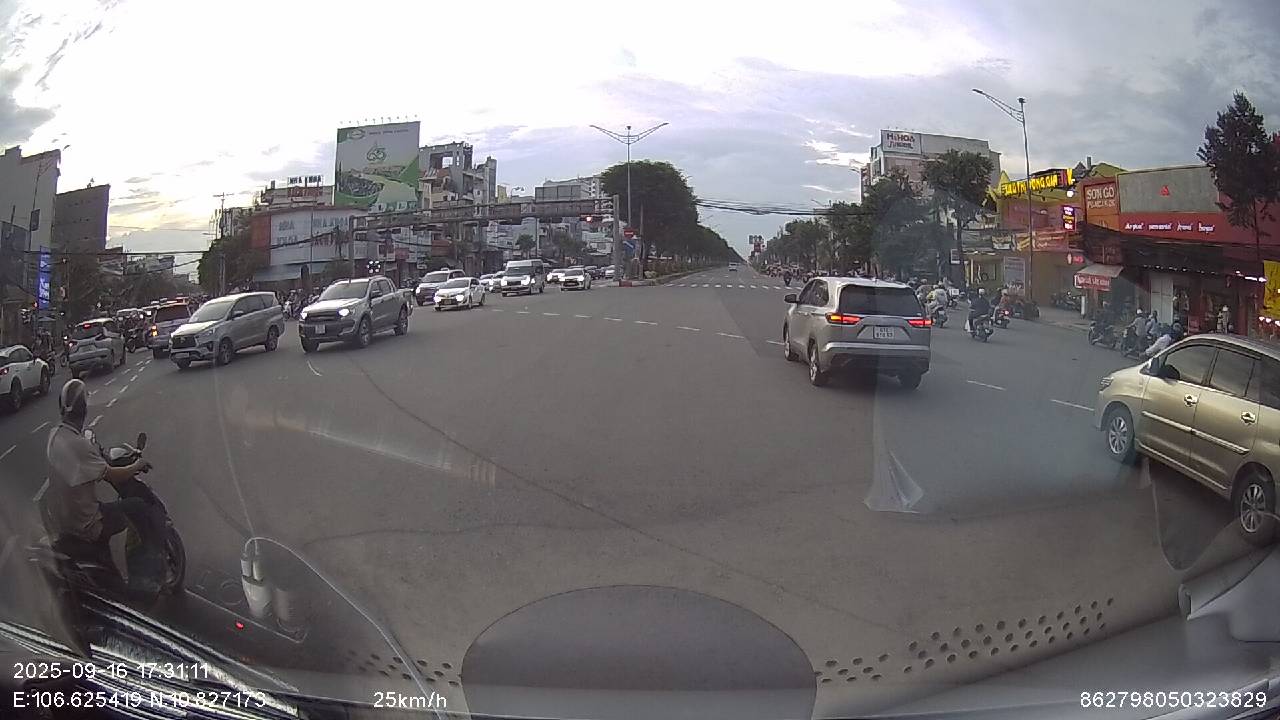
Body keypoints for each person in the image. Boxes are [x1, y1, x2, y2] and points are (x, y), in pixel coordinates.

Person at [45, 379, 152, 553]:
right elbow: (113, 476)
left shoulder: (55, 435)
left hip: (64, 519)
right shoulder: (79, 445)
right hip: (87, 523)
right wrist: (137, 465)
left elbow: (82, 459)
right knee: (139, 506)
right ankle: (145, 561)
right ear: (84, 409)